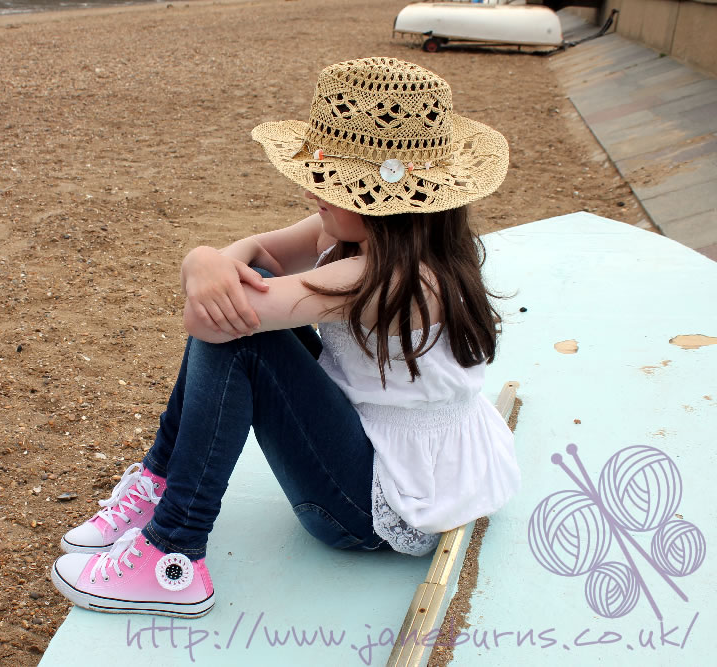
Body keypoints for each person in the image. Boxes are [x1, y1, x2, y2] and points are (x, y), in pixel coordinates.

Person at [50, 57, 521, 618]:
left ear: (383, 197)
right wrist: (218, 259)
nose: (311, 188)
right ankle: (158, 483)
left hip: (375, 509)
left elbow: (211, 321)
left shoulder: (391, 281)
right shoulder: (397, 244)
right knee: (252, 298)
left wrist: (202, 261)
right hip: (399, 454)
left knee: (242, 335)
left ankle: (173, 551)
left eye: (329, 176)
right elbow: (263, 253)